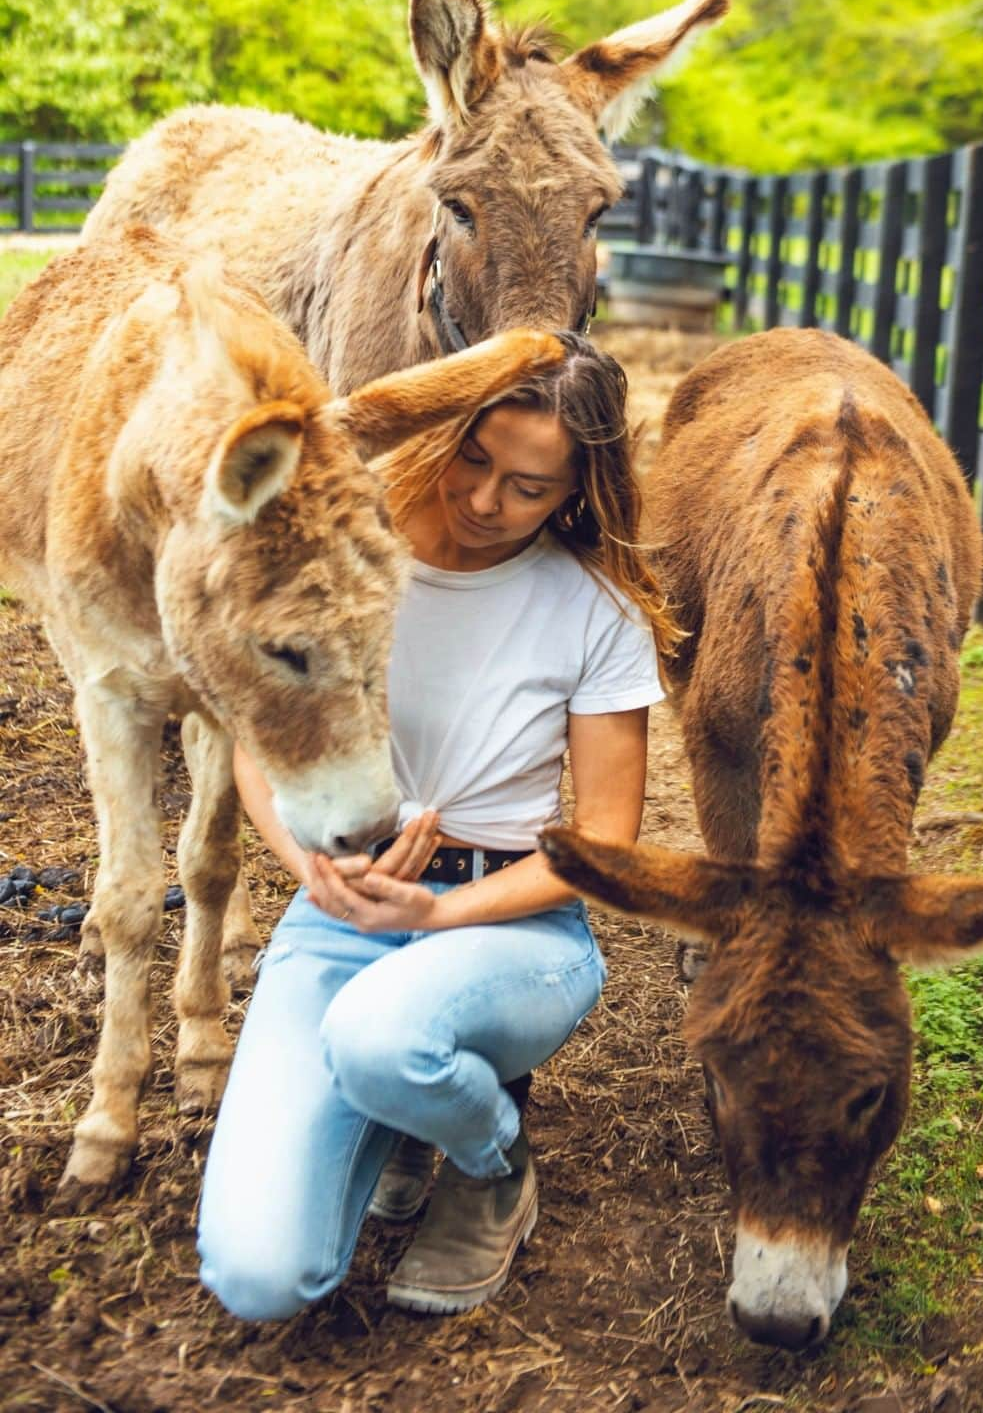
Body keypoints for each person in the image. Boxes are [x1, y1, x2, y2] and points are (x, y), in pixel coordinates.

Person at [197, 332, 676, 1322]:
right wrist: (307, 869)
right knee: (258, 1279)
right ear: (449, 431)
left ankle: (490, 1161)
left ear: (578, 491)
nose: (487, 500)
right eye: (475, 457)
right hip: (340, 912)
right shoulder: (347, 551)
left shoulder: (595, 609)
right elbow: (258, 744)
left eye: (529, 487)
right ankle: (402, 1111)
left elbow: (605, 846)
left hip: (513, 925)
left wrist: (436, 914)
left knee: (384, 1033)